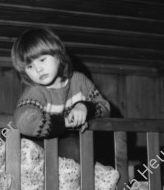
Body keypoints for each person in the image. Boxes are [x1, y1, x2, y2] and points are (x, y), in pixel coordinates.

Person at [11, 28, 110, 162]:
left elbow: (105, 108)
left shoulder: (79, 81)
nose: (38, 69)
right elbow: (24, 121)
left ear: (58, 56)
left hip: (66, 143)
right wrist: (65, 122)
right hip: (36, 146)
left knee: (76, 149)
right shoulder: (35, 91)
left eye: (42, 60)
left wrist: (85, 107)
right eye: (29, 67)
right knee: (23, 152)